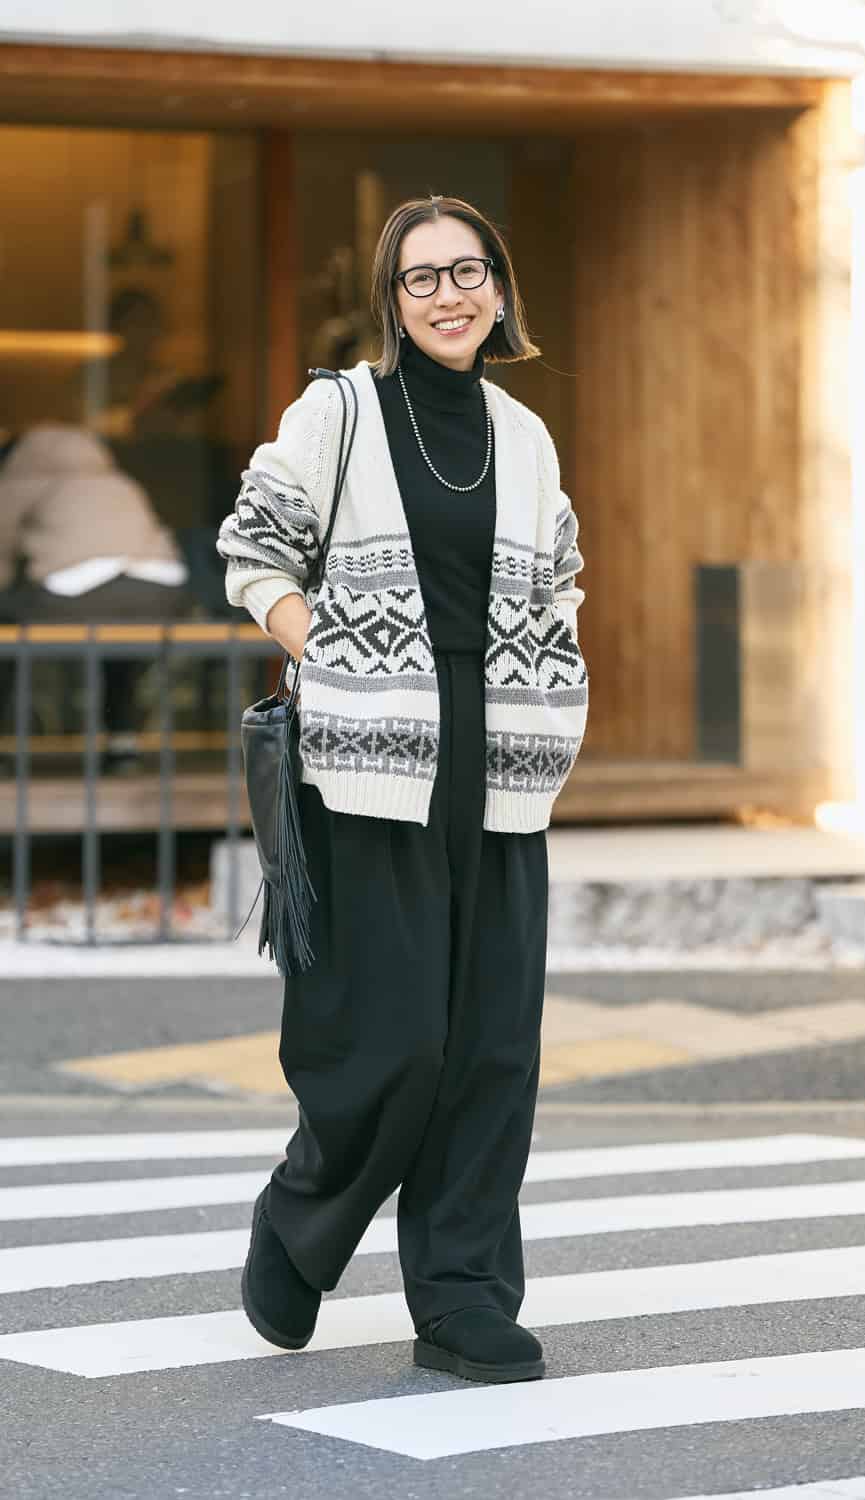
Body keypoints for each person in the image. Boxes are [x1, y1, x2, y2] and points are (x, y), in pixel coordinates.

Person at [216, 194, 589, 1385]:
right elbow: (253, 550)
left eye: (467, 271)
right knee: (392, 1042)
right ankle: (300, 1216)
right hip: (371, 762)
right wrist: (325, 652)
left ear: (499, 287)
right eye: (420, 277)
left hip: (501, 765)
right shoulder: (338, 412)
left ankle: (463, 1296)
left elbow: (561, 576)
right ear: (391, 300)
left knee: (491, 1047)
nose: (448, 295)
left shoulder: (523, 435)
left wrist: (551, 668)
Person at [0, 424, 191, 772]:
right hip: (159, 590)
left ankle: (4, 738)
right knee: (120, 638)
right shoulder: (119, 481)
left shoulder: (21, 479)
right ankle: (122, 744)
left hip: (79, 593)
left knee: (7, 628)